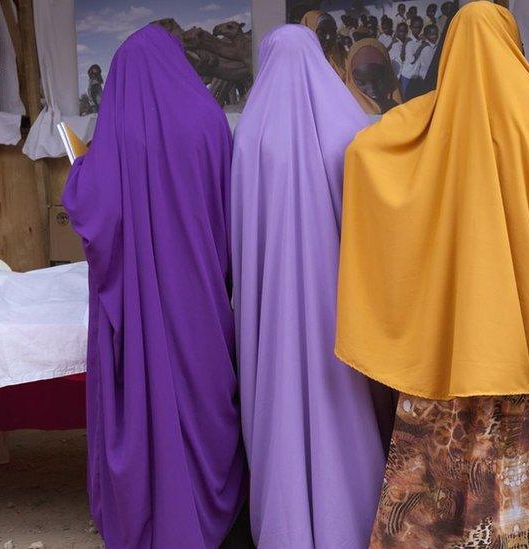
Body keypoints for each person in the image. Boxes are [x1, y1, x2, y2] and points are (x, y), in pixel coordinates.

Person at [336, 3, 529, 546]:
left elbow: (361, 154)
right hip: (514, 334)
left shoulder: (423, 121)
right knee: (512, 466)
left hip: (443, 337)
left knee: (431, 471)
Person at [61, 24, 247, 548]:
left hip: (142, 302)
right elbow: (228, 215)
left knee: (147, 391)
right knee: (206, 394)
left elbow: (93, 211)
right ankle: (217, 510)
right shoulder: (210, 120)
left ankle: (149, 509)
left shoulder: (121, 128)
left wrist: (78, 170)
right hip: (202, 301)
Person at [231, 24, 390, 548]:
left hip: (271, 307)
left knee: (278, 396)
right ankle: (350, 515)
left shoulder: (251, 130)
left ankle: (285, 525)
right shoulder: (346, 121)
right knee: (341, 400)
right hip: (334, 302)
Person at [345, 38, 402, 114]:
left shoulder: (399, 106)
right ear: (351, 79)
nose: (372, 90)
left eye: (379, 81)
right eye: (361, 83)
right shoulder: (346, 113)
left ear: (389, 74)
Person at [301, 10, 347, 79]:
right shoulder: (298, 64)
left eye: (332, 32)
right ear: (309, 33)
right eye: (322, 32)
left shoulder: (342, 57)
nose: (328, 37)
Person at [399, 22, 437, 99]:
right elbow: (411, 60)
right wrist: (420, 48)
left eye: (419, 27)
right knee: (405, 98)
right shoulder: (411, 42)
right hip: (408, 74)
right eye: (415, 27)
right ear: (411, 27)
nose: (417, 30)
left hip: (414, 74)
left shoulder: (419, 41)